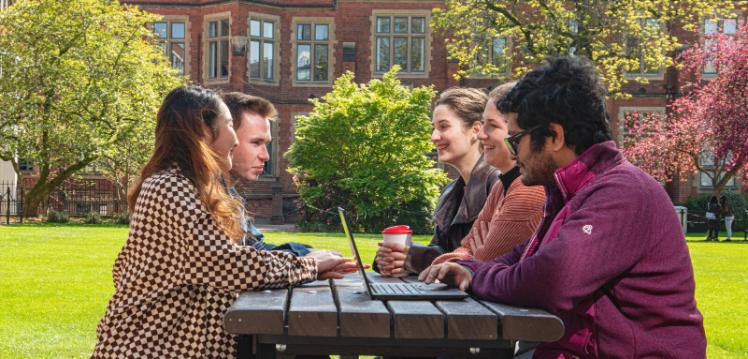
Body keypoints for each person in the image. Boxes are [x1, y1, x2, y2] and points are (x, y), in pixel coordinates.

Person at [419, 57, 706, 358]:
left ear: (554, 136)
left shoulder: (621, 192)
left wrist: (476, 275)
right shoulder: (570, 191)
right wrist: (468, 267)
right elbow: (524, 257)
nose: (515, 155)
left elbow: (551, 279)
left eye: (516, 141)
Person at [92, 86, 351, 358]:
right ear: (203, 130)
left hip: (186, 343)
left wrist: (305, 267)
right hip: (151, 347)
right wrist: (308, 264)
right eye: (229, 125)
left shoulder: (196, 188)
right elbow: (229, 265)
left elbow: (231, 262)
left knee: (301, 348)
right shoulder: (168, 186)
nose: (236, 141)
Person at [375, 88, 500, 276]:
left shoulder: (497, 183)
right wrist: (396, 257)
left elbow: (488, 255)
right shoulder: (451, 191)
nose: (434, 137)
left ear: (475, 130)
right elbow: (440, 249)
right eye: (434, 128)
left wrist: (415, 259)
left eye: (444, 126)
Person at [431, 82, 545, 265]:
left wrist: (471, 259)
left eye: (492, 125)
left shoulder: (528, 190)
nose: (482, 135)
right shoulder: (501, 185)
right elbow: (466, 251)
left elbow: (483, 263)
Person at [221, 91, 312, 256]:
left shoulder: (228, 191)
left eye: (266, 144)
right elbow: (231, 268)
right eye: (256, 143)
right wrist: (307, 261)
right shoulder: (196, 195)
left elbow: (255, 248)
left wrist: (309, 253)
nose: (266, 156)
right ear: (225, 139)